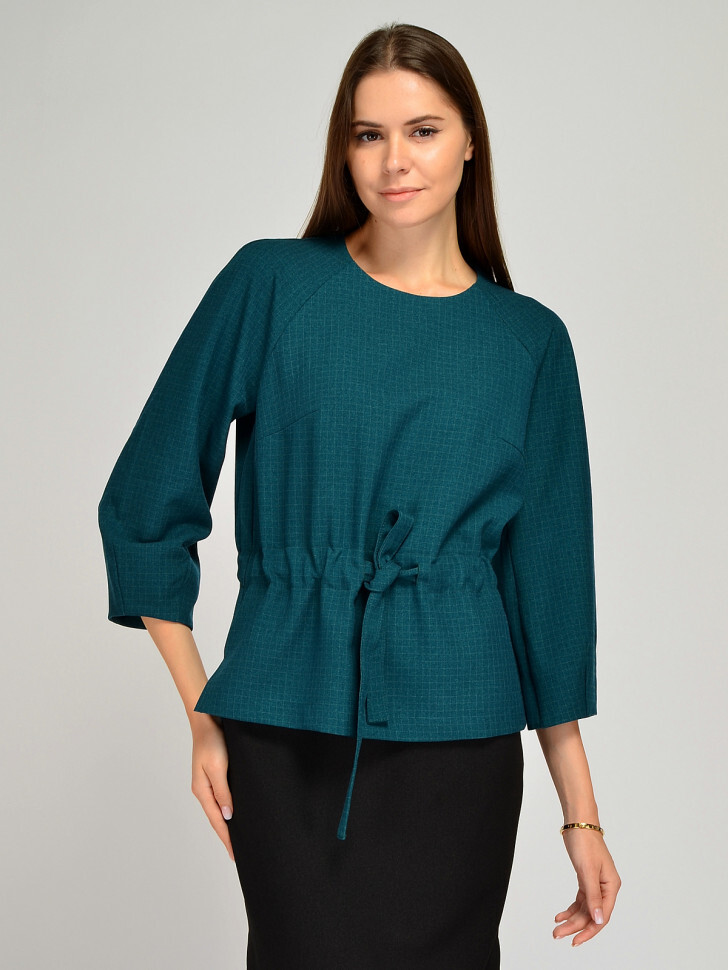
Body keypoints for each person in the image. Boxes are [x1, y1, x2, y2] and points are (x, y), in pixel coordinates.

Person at [98, 21, 621, 969]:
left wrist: (580, 816)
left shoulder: (529, 342)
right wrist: (202, 710)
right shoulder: (271, 285)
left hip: (460, 743)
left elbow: (546, 589)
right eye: (367, 134)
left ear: (470, 141)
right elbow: (145, 501)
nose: (393, 161)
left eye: (422, 130)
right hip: (284, 730)